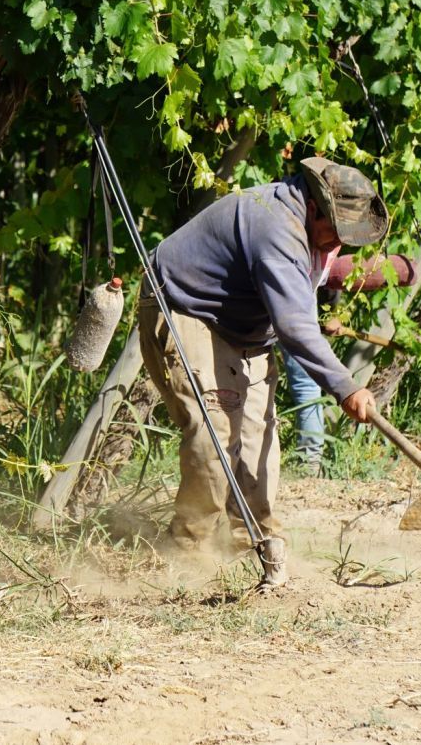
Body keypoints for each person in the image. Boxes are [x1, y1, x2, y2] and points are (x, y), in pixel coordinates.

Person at [138, 157, 393, 586]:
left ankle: (252, 544)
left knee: (258, 441)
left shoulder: (313, 229)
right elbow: (295, 326)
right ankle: (187, 553)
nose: (339, 245)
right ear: (314, 207)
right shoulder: (277, 226)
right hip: (183, 307)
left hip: (245, 327)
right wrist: (345, 387)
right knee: (214, 433)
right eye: (335, 231)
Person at [282, 253, 417, 474]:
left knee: (299, 383)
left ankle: (308, 460)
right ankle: (308, 460)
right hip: (291, 304)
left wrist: (330, 316)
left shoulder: (308, 236)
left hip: (291, 300)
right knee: (303, 385)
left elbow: (324, 272)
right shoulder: (304, 240)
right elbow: (323, 269)